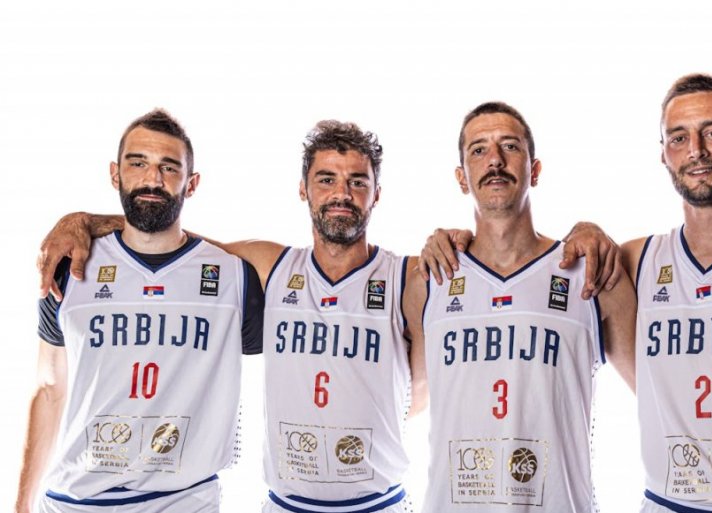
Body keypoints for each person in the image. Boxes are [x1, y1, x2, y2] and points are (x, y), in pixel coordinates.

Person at [34, 119, 623, 513]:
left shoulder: (411, 274)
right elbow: (166, 237)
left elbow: (429, 381)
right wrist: (84, 221)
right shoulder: (268, 266)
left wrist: (588, 228)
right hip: (283, 503)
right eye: (326, 180)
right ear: (303, 190)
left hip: (379, 501)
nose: (341, 193)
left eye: (356, 182)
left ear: (376, 194)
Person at [424, 76, 712, 513]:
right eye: (679, 138)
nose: (696, 150)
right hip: (669, 503)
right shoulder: (636, 262)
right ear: (663, 153)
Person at [15, 109, 265, 513]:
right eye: (138, 163)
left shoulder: (234, 277)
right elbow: (48, 387)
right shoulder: (70, 266)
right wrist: (20, 504)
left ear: (192, 183)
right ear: (115, 174)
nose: (153, 179)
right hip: (72, 501)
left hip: (183, 501)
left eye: (169, 167)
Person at [403, 101, 636, 512]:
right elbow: (408, 401)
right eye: (478, 150)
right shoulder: (429, 279)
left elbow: (657, 397)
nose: (494, 159)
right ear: (462, 178)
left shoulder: (590, 272)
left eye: (510, 146)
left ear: (535, 169)